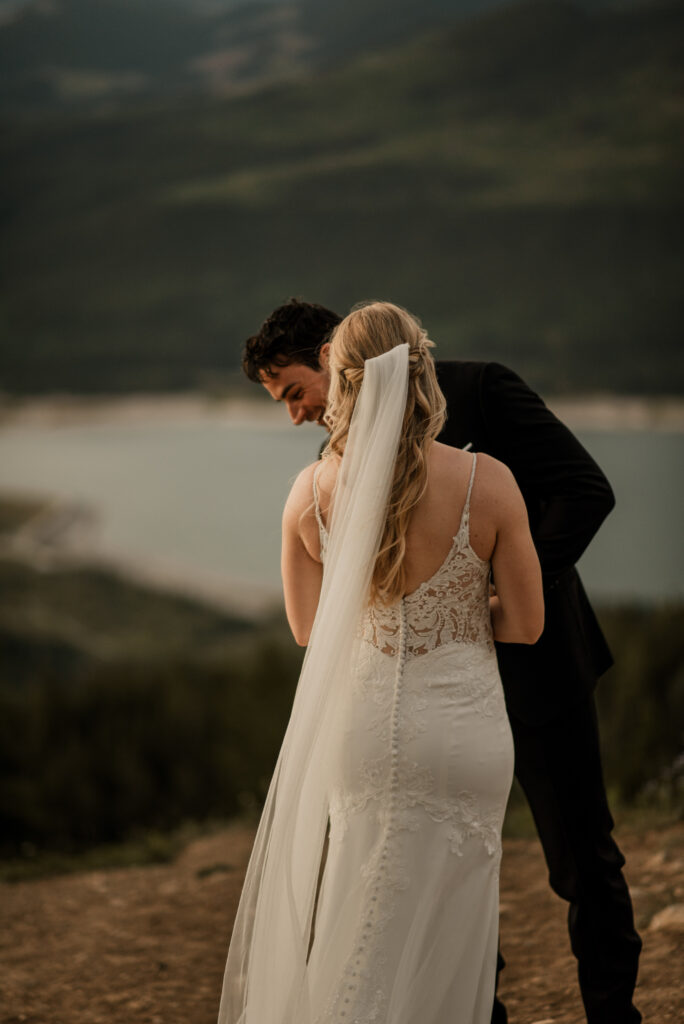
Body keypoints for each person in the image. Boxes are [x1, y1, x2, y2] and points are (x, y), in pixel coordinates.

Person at [239, 298, 643, 1024]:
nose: (297, 415)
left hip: (537, 668)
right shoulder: (338, 464)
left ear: (331, 358)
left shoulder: (483, 388)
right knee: (430, 874)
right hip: (422, 696)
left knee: (585, 863)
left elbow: (586, 490)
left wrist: (487, 587)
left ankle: (616, 1015)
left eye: (295, 394)